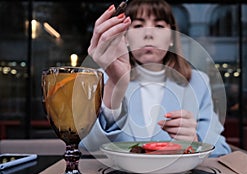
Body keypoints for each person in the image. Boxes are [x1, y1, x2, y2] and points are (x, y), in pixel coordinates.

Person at [80, 0, 231, 157]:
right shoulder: (102, 77)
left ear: (172, 37)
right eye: (138, 26)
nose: (148, 34)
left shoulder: (198, 82)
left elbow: (221, 148)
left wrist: (195, 140)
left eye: (159, 26)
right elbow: (86, 145)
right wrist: (115, 85)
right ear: (125, 37)